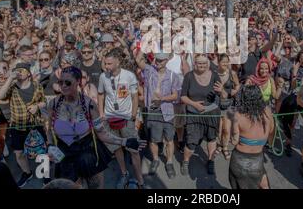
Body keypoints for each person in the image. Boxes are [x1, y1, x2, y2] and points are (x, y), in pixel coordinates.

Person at [45, 66, 144, 189]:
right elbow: (49, 129)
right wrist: (49, 145)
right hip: (64, 154)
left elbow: (101, 133)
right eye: (60, 82)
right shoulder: (53, 104)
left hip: (87, 152)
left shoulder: (89, 105)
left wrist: (125, 141)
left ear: (78, 82)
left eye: (68, 82)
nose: (63, 86)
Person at [97, 49, 144, 189]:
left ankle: (140, 179)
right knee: (116, 148)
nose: (106, 66)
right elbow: (100, 94)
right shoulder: (103, 77)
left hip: (127, 119)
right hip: (110, 119)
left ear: (118, 62)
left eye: (109, 63)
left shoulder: (129, 76)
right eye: (105, 63)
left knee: (133, 149)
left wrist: (134, 115)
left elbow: (135, 96)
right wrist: (101, 113)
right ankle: (124, 174)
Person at [0, 62, 47, 187]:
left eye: (22, 70)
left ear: (28, 73)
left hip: (35, 124)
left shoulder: (36, 85)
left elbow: (44, 101)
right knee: (19, 153)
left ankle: (45, 175)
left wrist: (37, 106)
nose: (19, 72)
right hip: (17, 126)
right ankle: (27, 173)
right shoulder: (11, 86)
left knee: (42, 151)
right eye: (17, 70)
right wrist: (10, 79)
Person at [136, 51, 181, 179]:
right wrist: (144, 47)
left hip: (167, 111)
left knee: (169, 139)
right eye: (157, 59)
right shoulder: (150, 71)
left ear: (167, 61)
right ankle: (155, 159)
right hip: (153, 110)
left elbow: (175, 95)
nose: (158, 62)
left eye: (161, 60)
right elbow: (138, 60)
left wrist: (163, 98)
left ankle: (170, 161)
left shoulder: (173, 76)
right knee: (154, 139)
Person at [180, 54, 227, 176]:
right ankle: (185, 162)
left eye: (204, 63)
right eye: (199, 63)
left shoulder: (214, 75)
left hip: (211, 113)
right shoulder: (189, 76)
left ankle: (210, 161)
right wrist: (194, 104)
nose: (202, 65)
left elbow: (224, 96)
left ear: (208, 64)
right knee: (191, 142)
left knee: (211, 138)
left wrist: (222, 91)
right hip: (194, 114)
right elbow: (183, 97)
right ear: (195, 64)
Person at [229, 85, 274, 189]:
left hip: (239, 161)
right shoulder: (267, 111)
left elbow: (235, 141)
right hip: (257, 160)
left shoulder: (238, 114)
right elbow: (271, 130)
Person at [215, 54, 240, 161]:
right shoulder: (214, 74)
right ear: (218, 62)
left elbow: (237, 86)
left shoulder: (232, 73)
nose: (225, 63)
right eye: (223, 61)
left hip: (229, 105)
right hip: (216, 105)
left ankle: (225, 147)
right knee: (219, 129)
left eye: (227, 61)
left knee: (226, 129)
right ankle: (219, 145)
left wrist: (232, 92)